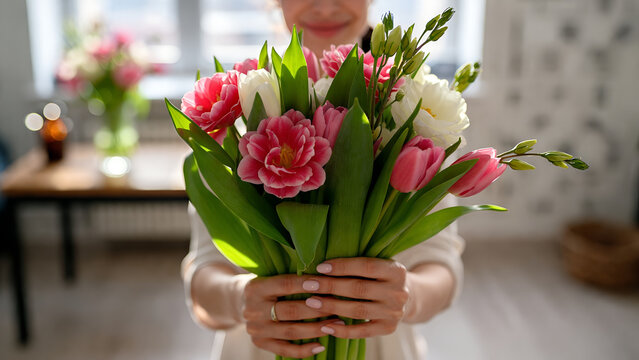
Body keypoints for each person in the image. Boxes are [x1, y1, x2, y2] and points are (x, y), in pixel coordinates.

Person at [181, 1, 465, 359]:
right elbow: (204, 273)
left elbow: (442, 265)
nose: (326, 6)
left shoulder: (417, 109)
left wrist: (407, 296)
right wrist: (241, 299)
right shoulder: (239, 106)